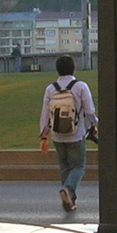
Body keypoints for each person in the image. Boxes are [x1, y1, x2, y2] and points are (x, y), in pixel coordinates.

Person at [39, 55, 97, 212]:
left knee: (64, 167)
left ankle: (69, 201)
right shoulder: (80, 86)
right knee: (78, 166)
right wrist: (93, 124)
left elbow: (45, 114)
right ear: (73, 68)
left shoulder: (50, 89)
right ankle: (68, 191)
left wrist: (43, 135)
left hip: (57, 135)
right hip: (76, 134)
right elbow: (89, 110)